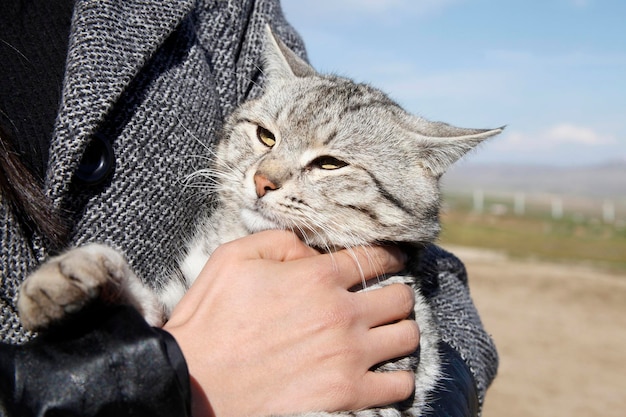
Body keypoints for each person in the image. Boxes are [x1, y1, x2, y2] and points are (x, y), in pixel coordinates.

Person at [0, 1, 498, 416]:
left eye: (328, 162)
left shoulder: (231, 12)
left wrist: (441, 388)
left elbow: (442, 290)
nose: (267, 177)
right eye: (265, 136)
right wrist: (158, 385)